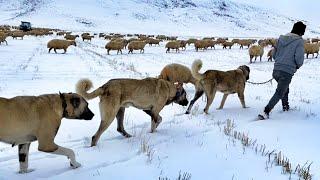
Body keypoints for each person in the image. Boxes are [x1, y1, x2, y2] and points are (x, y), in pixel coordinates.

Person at [258, 21, 306, 120]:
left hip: (276, 70)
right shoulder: (299, 41)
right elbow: (299, 58)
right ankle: (266, 111)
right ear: (301, 31)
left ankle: (285, 106)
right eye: (303, 32)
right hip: (287, 71)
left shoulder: (281, 39)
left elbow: (274, 55)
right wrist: (297, 65)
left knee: (284, 88)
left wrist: (280, 61)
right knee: (280, 91)